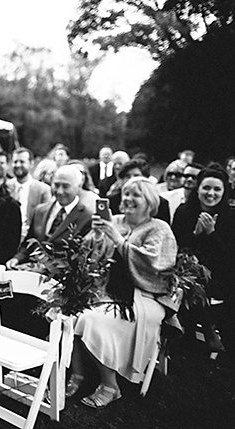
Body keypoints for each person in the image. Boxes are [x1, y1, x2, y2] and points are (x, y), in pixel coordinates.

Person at [66, 177, 178, 408]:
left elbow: (154, 264)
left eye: (135, 195)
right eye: (126, 194)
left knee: (92, 320)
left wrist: (117, 239)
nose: (128, 199)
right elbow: (89, 258)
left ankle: (110, 385)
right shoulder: (113, 220)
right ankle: (77, 374)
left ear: (149, 201)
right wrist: (96, 237)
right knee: (70, 313)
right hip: (106, 289)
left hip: (144, 296)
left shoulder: (159, 228)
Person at [171, 167, 234, 352]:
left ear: (224, 192)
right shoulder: (184, 212)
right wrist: (196, 235)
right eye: (206, 188)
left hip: (223, 272)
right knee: (191, 281)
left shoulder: (231, 216)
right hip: (189, 270)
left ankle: (211, 331)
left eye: (217, 189)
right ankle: (204, 331)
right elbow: (177, 249)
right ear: (198, 189)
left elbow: (229, 257)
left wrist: (211, 234)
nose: (211, 194)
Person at [6, 164, 94, 270]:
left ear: (78, 186)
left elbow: (80, 258)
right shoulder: (40, 210)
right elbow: (29, 242)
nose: (60, 191)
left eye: (66, 186)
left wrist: (46, 268)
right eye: (56, 185)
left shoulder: (87, 217)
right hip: (31, 274)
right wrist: (17, 259)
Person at [109, 159, 171, 223]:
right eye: (128, 176)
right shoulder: (113, 200)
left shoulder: (160, 203)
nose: (132, 179)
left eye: (136, 175)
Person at [11, 147, 51, 241]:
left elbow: (45, 219)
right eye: (15, 161)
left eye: (22, 162)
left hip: (31, 239)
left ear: (31, 164)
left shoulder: (43, 190)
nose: (18, 165)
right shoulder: (6, 186)